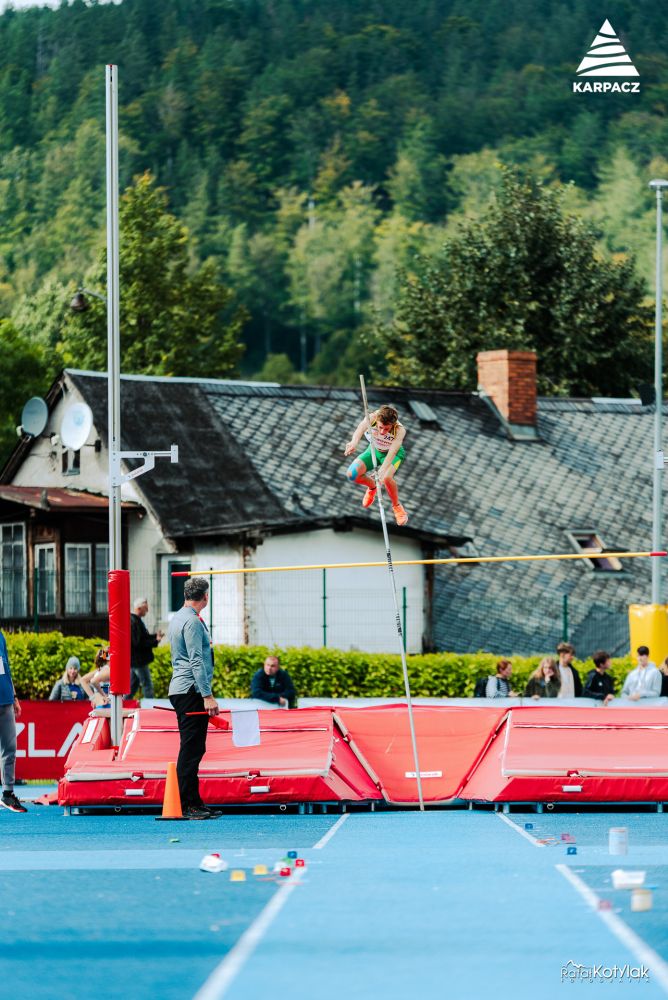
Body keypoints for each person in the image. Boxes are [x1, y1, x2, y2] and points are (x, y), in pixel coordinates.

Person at [168, 576, 221, 820]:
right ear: (205, 597)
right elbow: (196, 660)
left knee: (194, 747)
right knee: (191, 748)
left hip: (182, 688)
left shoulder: (179, 617)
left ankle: (193, 801)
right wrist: (207, 695)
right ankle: (186, 804)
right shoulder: (191, 622)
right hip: (190, 690)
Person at [344, 403, 409, 526]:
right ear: (378, 420)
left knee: (386, 478)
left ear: (392, 425)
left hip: (393, 454)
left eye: (386, 429)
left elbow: (393, 451)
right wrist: (353, 443)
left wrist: (382, 469)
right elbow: (360, 429)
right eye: (380, 427)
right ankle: (372, 487)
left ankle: (397, 506)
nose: (383, 432)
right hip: (374, 450)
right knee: (351, 474)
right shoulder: (372, 418)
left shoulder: (399, 430)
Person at [0, 627, 27, 812]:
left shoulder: (0, 636)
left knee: (10, 749)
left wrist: (15, 697)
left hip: (6, 700)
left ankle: (7, 794)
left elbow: (6, 668)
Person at [130, 597, 163, 700]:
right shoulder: (134, 622)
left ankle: (123, 703)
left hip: (135, 660)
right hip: (139, 660)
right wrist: (155, 641)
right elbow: (138, 642)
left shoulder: (135, 620)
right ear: (139, 608)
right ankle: (150, 706)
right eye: (146, 608)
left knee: (132, 686)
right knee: (147, 685)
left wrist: (155, 637)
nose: (147, 611)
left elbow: (142, 638)